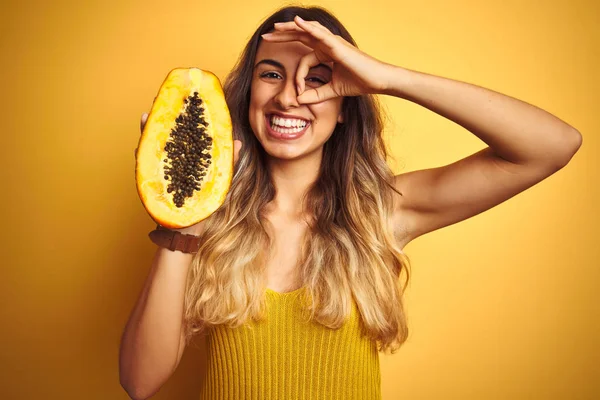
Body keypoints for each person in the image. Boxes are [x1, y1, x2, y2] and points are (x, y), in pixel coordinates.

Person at [119, 5, 582, 400]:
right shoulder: (208, 222)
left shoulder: (380, 213)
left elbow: (552, 145)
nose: (288, 97)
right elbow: (140, 382)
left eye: (317, 79)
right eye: (271, 74)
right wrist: (182, 218)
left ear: (345, 105)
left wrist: (386, 78)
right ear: (247, 95)